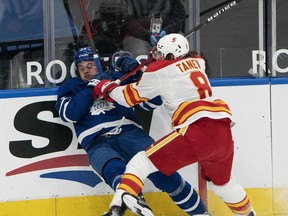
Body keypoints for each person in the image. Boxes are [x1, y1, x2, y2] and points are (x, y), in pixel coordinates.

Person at [93, 33, 257, 216]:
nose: (156, 55)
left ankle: (124, 196)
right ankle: (248, 214)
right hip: (223, 132)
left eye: (160, 52)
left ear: (168, 56)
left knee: (141, 162)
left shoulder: (159, 71)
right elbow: (176, 66)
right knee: (223, 184)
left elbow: (127, 98)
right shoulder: (198, 62)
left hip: (197, 131)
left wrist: (106, 88)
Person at [55, 46, 210, 216]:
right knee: (113, 168)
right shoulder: (71, 87)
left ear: (99, 65)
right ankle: (135, 199)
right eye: (81, 67)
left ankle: (202, 214)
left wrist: (139, 73)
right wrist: (93, 87)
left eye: (90, 65)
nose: (85, 71)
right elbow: (70, 114)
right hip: (97, 141)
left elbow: (152, 102)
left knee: (166, 175)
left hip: (130, 133)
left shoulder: (117, 78)